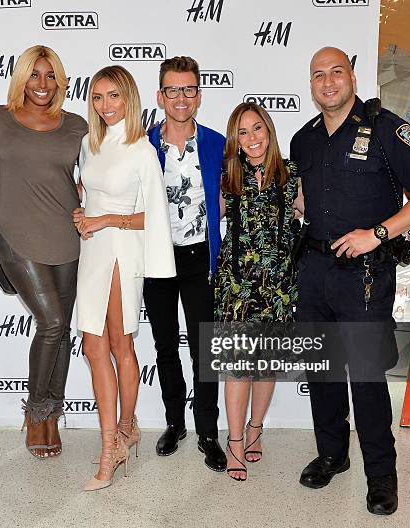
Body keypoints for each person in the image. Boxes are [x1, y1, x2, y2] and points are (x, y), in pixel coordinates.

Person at [290, 46, 410, 515]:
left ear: (352, 77)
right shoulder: (305, 139)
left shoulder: (386, 127)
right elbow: (307, 196)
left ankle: (381, 475)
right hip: (314, 270)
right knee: (324, 371)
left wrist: (378, 234)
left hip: (363, 274)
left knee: (366, 378)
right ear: (312, 85)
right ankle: (332, 454)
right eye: (318, 75)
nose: (328, 81)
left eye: (336, 71)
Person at [0, 45, 88, 459]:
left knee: (62, 331)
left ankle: (50, 417)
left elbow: (97, 174)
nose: (42, 84)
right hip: (16, 234)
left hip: (67, 237)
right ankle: (35, 411)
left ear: (60, 81)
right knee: (53, 322)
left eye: (50, 76)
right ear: (21, 77)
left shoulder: (76, 125)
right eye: (34, 75)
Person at [73, 65, 175, 491]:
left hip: (121, 251)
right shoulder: (87, 143)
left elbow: (157, 217)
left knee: (119, 343)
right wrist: (83, 215)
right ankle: (114, 437)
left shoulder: (142, 149)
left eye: (114, 96)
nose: (105, 105)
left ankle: (120, 435)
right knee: (93, 345)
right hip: (92, 251)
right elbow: (87, 196)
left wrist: (107, 218)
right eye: (97, 97)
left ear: (129, 99)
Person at [145, 56, 227, 472]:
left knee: (204, 349)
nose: (181, 97)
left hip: (201, 259)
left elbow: (232, 196)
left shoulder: (216, 143)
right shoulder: (142, 144)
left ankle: (208, 432)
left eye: (189, 89)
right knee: (164, 346)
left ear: (199, 94)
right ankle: (174, 422)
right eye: (173, 90)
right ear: (161, 95)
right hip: (157, 257)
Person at [215, 102, 301, 481]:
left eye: (257, 129)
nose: (252, 139)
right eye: (243, 133)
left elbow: (312, 217)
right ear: (235, 141)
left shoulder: (293, 176)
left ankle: (255, 429)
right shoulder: (226, 179)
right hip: (236, 285)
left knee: (265, 366)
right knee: (237, 368)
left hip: (279, 286)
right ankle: (234, 441)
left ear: (269, 130)